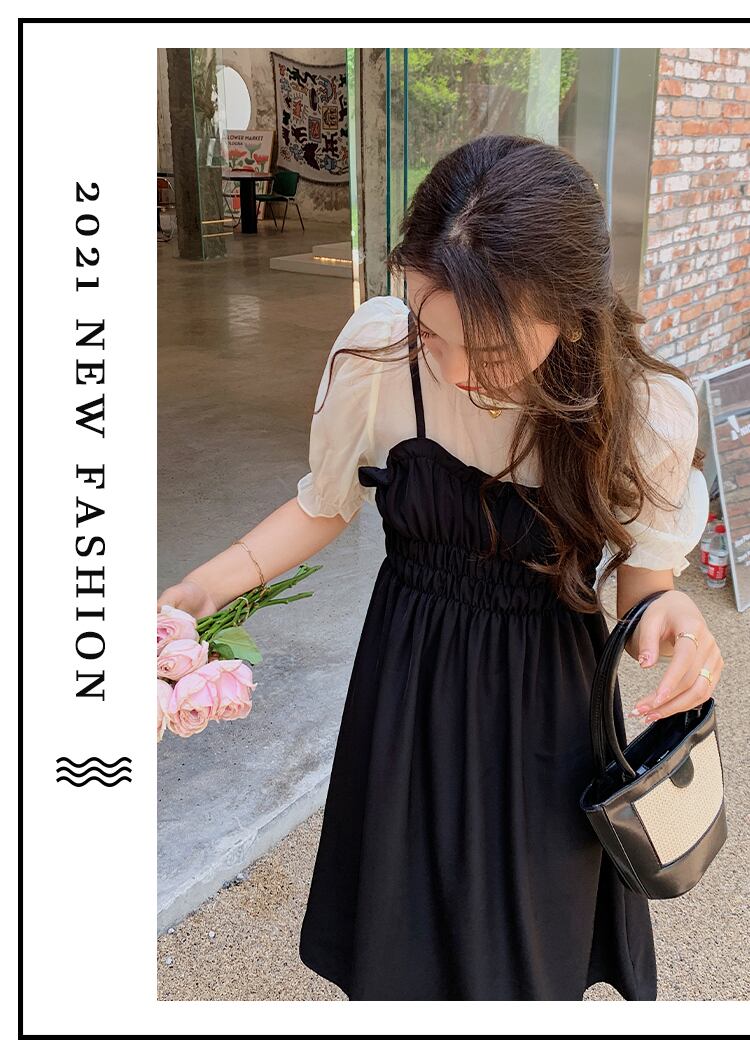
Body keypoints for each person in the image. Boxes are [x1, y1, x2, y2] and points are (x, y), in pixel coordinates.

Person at [158, 134, 725, 1001]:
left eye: (490, 349)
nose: (456, 370)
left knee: (525, 941)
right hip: (406, 688)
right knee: (403, 930)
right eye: (432, 329)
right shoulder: (382, 358)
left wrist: (668, 613)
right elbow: (323, 504)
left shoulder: (638, 411)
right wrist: (203, 588)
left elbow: (641, 585)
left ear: (573, 315)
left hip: (546, 711)